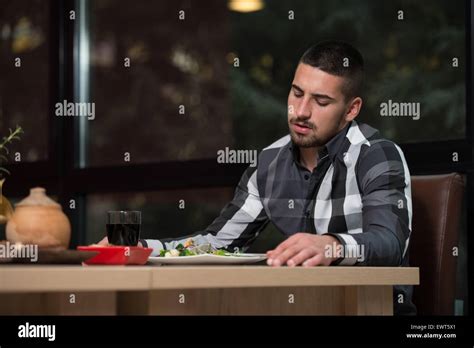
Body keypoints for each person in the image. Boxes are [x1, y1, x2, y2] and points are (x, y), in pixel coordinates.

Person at [99, 40, 415, 315]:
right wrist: (140, 248)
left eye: (320, 102)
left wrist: (330, 246)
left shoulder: (377, 156)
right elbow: (218, 243)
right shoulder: (269, 162)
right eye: (296, 93)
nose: (301, 111)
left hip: (372, 308)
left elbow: (389, 243)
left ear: (351, 109)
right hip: (304, 306)